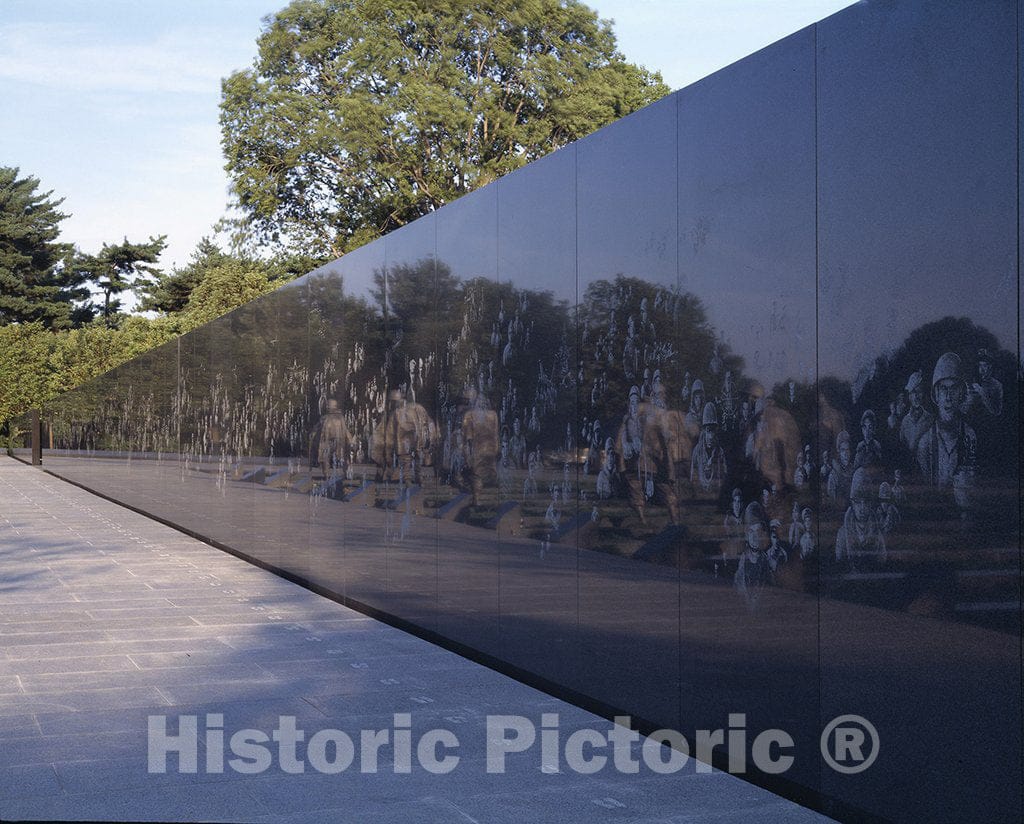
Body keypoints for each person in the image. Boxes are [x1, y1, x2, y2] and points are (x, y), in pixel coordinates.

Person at [916, 352, 978, 514]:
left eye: (954, 388)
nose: (948, 396)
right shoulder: (925, 443)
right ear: (936, 394)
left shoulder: (969, 435)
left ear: (962, 393)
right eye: (943, 389)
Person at [835, 467, 886, 569]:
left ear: (870, 504)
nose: (862, 508)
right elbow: (839, 564)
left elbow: (882, 563)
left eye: (866, 502)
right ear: (852, 503)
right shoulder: (842, 534)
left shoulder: (878, 534)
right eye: (858, 502)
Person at [690, 401, 727, 498]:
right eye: (708, 431)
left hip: (716, 497)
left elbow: (724, 476)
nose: (710, 436)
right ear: (703, 431)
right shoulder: (697, 452)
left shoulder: (720, 452)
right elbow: (693, 477)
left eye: (713, 431)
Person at [309, 398, 351, 479]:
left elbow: (317, 430)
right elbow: (345, 430)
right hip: (338, 441)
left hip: (329, 441)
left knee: (326, 457)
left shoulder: (325, 418)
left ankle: (327, 475)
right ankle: (344, 473)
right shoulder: (340, 418)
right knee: (343, 456)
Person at [900, 370, 934, 459]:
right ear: (909, 396)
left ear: (923, 394)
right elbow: (901, 447)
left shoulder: (930, 419)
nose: (916, 396)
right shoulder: (905, 421)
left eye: (919, 391)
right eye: (913, 392)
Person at [827, 431, 854, 509]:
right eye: (843, 450)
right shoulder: (833, 475)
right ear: (839, 452)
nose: (845, 454)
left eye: (847, 450)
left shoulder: (853, 471)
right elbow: (832, 500)